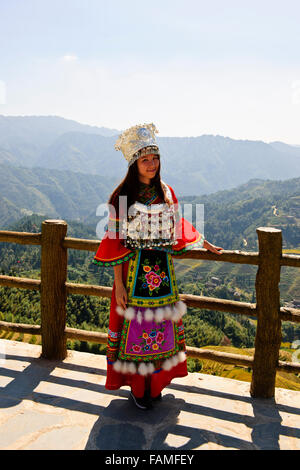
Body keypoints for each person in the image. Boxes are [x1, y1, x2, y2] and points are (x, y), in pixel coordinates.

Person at [92, 123, 223, 410]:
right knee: (134, 330)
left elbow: (179, 226)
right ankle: (139, 389)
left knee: (160, 330)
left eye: (155, 158)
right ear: (134, 163)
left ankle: (156, 385)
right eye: (145, 160)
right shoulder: (121, 198)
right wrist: (120, 285)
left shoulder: (166, 192)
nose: (152, 165)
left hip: (161, 276)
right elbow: (115, 243)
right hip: (131, 273)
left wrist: (205, 242)